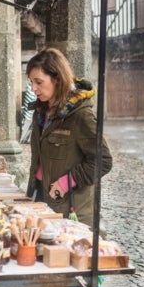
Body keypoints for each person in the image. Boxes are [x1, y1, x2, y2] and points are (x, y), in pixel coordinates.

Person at [25, 47, 113, 228]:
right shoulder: (41, 112)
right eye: (31, 82)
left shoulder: (81, 116)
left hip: (71, 213)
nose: (33, 88)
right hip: (42, 200)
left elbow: (103, 161)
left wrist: (66, 183)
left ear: (57, 78)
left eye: (39, 82)